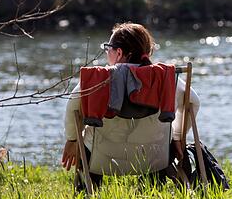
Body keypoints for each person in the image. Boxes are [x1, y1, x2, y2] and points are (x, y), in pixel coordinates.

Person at [61, 22, 199, 189]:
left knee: (90, 141)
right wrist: (178, 137)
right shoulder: (164, 79)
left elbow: (72, 107)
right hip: (154, 157)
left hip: (102, 158)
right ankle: (150, 191)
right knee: (159, 142)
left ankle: (88, 194)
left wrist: (72, 139)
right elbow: (194, 101)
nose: (107, 53)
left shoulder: (98, 79)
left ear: (119, 52)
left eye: (108, 49)